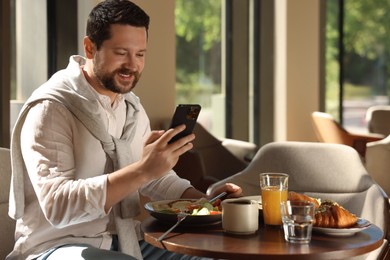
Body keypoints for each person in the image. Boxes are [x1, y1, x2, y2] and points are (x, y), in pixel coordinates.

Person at [6, 1, 242, 259]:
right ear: (89, 47)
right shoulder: (51, 109)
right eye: (121, 53)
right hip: (57, 246)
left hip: (127, 239)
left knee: (216, 255)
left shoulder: (131, 108)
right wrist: (142, 169)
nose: (132, 65)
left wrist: (206, 203)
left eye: (140, 54)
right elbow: (58, 206)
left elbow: (156, 178)